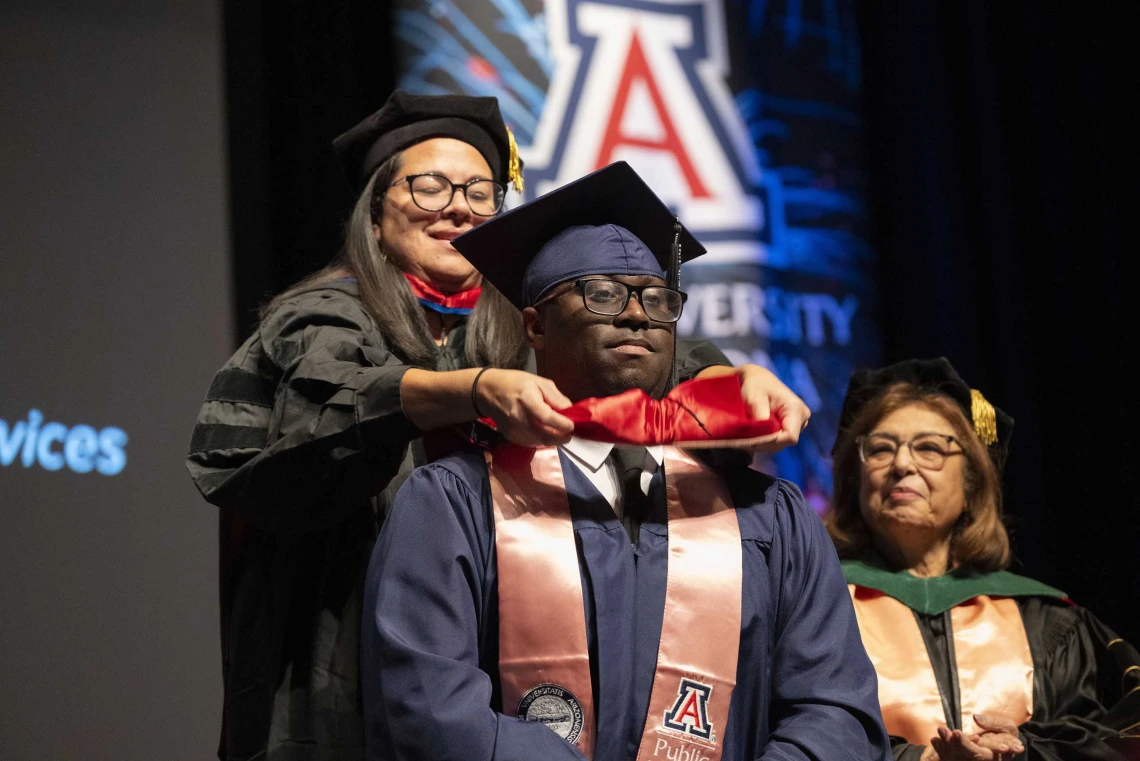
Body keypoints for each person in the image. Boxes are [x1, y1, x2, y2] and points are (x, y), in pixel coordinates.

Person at [186, 91, 811, 761]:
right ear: (373, 214)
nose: (458, 205)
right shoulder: (323, 317)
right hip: (337, 652)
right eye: (430, 185)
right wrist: (474, 390)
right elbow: (322, 411)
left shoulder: (516, 323)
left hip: (501, 656)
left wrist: (733, 381)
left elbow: (638, 365)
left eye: (480, 192)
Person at [361, 161, 891, 761]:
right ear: (535, 325)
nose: (638, 313)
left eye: (658, 299)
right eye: (603, 292)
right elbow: (425, 706)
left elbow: (836, 708)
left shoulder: (767, 512)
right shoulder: (455, 500)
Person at [825, 357, 1140, 761]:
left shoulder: (1045, 620)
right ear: (857, 480)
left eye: (929, 448)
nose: (902, 465)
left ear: (972, 481)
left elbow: (1120, 736)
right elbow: (783, 730)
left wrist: (1025, 750)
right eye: (881, 449)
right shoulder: (821, 611)